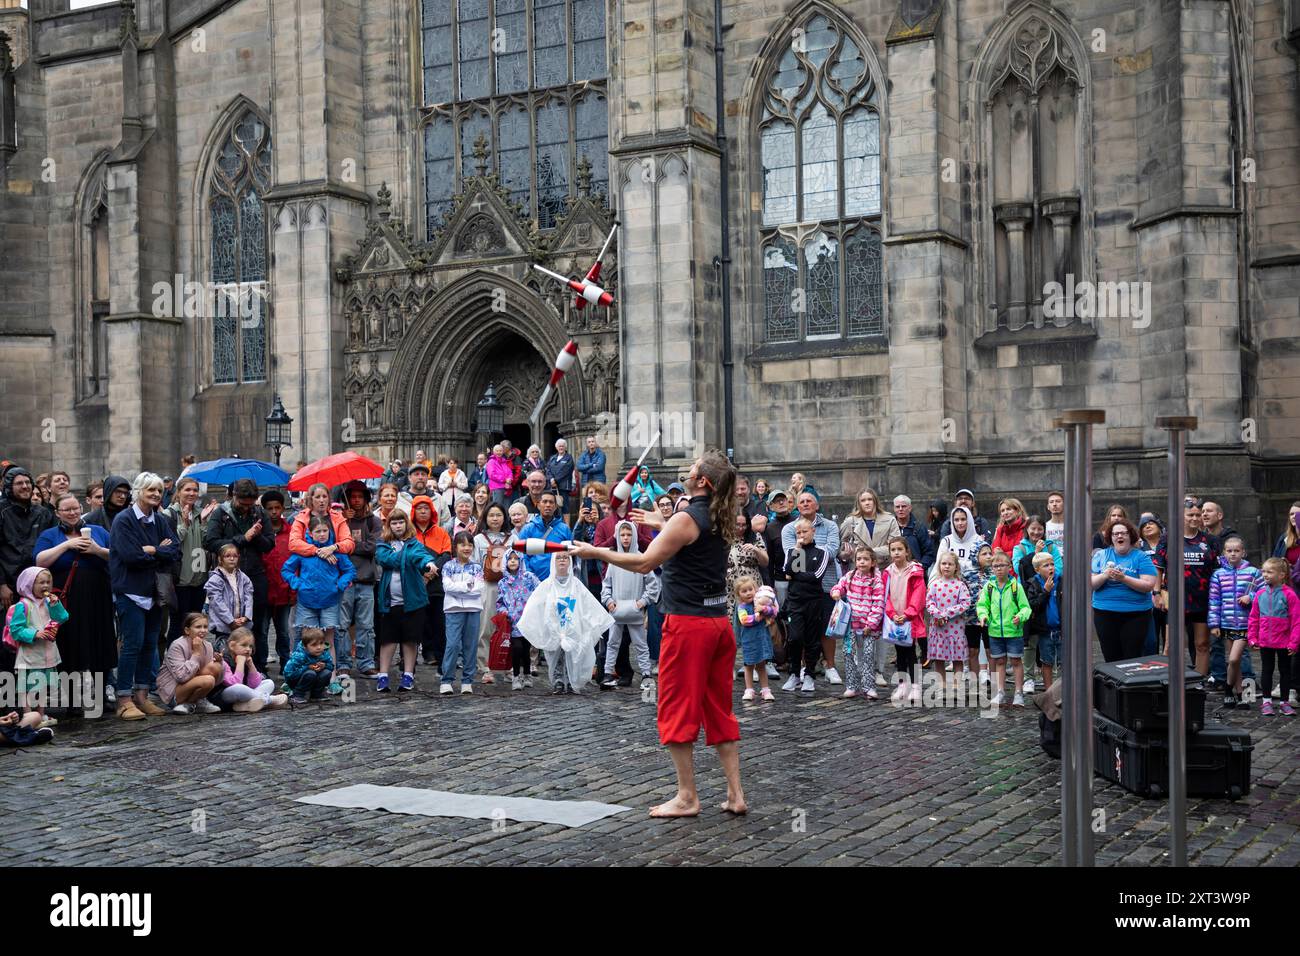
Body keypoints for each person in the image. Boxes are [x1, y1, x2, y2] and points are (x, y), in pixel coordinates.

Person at [569, 450, 747, 818]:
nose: (690, 467)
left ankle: (686, 797)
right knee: (718, 709)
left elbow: (645, 561)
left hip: (688, 627)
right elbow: (685, 532)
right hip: (717, 624)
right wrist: (660, 519)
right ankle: (735, 795)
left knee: (676, 707)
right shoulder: (719, 514)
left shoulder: (687, 518)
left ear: (702, 482)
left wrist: (596, 551)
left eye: (695, 467)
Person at [33, 493, 114, 714]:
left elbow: (116, 555)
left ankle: (99, 697)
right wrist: (68, 546)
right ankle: (72, 700)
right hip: (65, 598)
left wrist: (96, 550)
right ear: (57, 512)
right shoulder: (51, 534)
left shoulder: (98, 531)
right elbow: (39, 560)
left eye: (75, 509)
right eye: (67, 510)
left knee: (100, 642)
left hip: (98, 594)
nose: (72, 513)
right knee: (70, 644)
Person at [108, 472, 179, 720]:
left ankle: (142, 695)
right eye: (151, 490)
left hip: (154, 592)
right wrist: (159, 550)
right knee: (132, 644)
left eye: (159, 491)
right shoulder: (124, 520)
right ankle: (124, 698)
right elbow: (131, 556)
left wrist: (153, 549)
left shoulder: (159, 520)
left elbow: (175, 550)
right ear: (138, 492)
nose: (156, 495)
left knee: (150, 644)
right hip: (130, 591)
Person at [205, 478, 277, 672]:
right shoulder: (221, 513)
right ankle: (230, 668)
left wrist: (257, 536)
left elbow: (270, 544)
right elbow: (211, 542)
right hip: (228, 577)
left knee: (258, 625)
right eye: (242, 504)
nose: (246, 508)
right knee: (229, 624)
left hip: (255, 573)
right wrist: (243, 538)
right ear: (233, 496)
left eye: (250, 504)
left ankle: (258, 668)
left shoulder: (259, 513)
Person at [518, 550, 611, 695]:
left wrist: (594, 622)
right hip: (553, 627)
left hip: (571, 627)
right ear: (553, 562)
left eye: (565, 558)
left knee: (571, 654)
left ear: (570, 562)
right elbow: (535, 604)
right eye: (559, 558)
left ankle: (570, 679)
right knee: (555, 654)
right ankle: (558, 682)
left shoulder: (576, 584)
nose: (562, 560)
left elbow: (587, 603)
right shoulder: (547, 584)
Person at [780, 490, 841, 683]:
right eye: (802, 502)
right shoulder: (790, 528)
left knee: (826, 628)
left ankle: (830, 666)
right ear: (797, 507)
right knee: (801, 631)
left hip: (827, 583)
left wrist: (811, 554)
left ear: (817, 505)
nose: (805, 504)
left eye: (809, 501)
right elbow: (791, 554)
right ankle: (805, 669)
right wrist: (813, 554)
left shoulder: (830, 525)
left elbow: (831, 551)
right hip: (800, 591)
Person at [375, 510, 438, 693]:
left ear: (406, 524)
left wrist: (428, 563)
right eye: (394, 523)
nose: (398, 526)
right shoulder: (383, 544)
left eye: (401, 522)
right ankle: (383, 676)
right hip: (390, 602)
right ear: (389, 526)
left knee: (410, 640)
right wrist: (406, 557)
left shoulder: (414, 544)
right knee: (387, 640)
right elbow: (384, 559)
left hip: (413, 601)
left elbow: (422, 557)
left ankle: (408, 675)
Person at [1156, 501, 1218, 676]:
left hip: (1202, 599)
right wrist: (1157, 593)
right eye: (1190, 515)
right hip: (1175, 598)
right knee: (1171, 645)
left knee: (1202, 644)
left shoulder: (1210, 541)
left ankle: (1198, 683)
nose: (1195, 518)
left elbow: (1217, 570)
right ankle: (1168, 681)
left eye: (1198, 515)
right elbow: (1158, 567)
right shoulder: (1168, 538)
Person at [599, 519, 660, 691]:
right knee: (613, 642)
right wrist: (609, 601)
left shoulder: (641, 558)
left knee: (640, 643)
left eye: (629, 534)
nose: (625, 538)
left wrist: (642, 602)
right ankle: (608, 673)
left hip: (634, 609)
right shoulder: (614, 560)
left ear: (634, 535)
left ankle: (646, 674)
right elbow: (607, 584)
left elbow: (652, 585)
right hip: (617, 608)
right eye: (622, 535)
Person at [5, 567, 66, 727]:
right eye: (41, 582)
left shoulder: (48, 602)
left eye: (48, 582)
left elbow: (63, 617)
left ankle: (40, 713)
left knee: (43, 685)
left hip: (47, 653)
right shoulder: (23, 605)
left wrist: (56, 605)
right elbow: (16, 630)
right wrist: (34, 634)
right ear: (29, 584)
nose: (45, 586)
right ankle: (27, 714)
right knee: (26, 686)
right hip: (29, 654)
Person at [1092, 517, 1159, 662]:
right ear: (1111, 537)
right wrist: (1105, 575)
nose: (1119, 536)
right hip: (1105, 612)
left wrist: (1124, 578)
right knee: (1111, 656)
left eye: (1124, 533)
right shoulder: (1100, 555)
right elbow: (1090, 584)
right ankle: (1113, 685)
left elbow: (1148, 585)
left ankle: (1132, 684)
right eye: (1115, 534)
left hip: (1136, 614)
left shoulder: (1141, 557)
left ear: (1131, 536)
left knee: (1132, 657)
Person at [1209, 536, 1263, 708]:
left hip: (1246, 624)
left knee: (1233, 659)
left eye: (1237, 550)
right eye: (1229, 551)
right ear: (1224, 553)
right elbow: (1214, 600)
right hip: (1226, 623)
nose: (1233, 554)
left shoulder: (1253, 572)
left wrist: (1251, 596)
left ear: (1243, 552)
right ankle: (1240, 695)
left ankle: (1227, 688)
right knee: (1236, 661)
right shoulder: (1218, 574)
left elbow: (1264, 592)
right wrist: (1214, 624)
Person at [164, 478, 217, 643]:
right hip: (179, 579)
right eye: (187, 490)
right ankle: (174, 661)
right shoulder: (169, 514)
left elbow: (206, 542)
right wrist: (184, 525)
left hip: (198, 577)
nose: (192, 493)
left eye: (195, 490)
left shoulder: (200, 512)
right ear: (178, 492)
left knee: (195, 622)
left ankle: (193, 658)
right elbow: (170, 543)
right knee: (179, 624)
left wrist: (204, 522)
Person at [976, 550, 1031, 708]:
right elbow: (982, 605)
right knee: (999, 661)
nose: (999, 568)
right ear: (992, 568)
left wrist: (1020, 617)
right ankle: (1000, 691)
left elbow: (1025, 608)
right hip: (994, 631)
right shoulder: (989, 587)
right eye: (995, 566)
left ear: (1009, 567)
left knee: (1015, 661)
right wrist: (983, 616)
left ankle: (1018, 692)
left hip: (1013, 631)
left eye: (1002, 565)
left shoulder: (1016, 587)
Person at [830, 547, 884, 700]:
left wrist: (871, 624)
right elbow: (840, 586)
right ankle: (851, 686)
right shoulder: (850, 576)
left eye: (866, 559)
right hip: (850, 625)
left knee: (867, 655)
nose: (862, 562)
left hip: (868, 627)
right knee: (848, 654)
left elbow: (878, 604)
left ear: (872, 562)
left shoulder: (876, 580)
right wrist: (836, 591)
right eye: (859, 559)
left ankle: (869, 687)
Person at [1248, 557, 1299, 716]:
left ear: (1282, 575)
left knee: (1285, 672)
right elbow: (1253, 617)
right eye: (1264, 571)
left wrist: (1294, 642)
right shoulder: (1260, 594)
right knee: (1267, 670)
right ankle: (1266, 702)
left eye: (1270, 572)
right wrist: (1252, 638)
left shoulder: (1290, 595)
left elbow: (1296, 620)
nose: (1265, 575)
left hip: (1284, 642)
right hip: (1265, 641)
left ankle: (1284, 702)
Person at [0, 468, 56, 609]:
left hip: (39, 584)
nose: (25, 486)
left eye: (27, 482)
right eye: (19, 483)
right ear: (9, 487)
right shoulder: (2, 512)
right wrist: (1, 585)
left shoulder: (43, 513)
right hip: (9, 586)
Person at [882, 536, 926, 705]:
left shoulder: (914, 572)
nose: (896, 553)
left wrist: (909, 613)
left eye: (900, 549)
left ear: (907, 551)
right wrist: (892, 613)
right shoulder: (888, 572)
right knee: (899, 652)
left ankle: (915, 685)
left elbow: (918, 595)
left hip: (910, 619)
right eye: (893, 550)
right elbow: (885, 596)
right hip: (895, 619)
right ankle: (902, 684)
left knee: (910, 652)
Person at [439, 531, 484, 695]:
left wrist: (460, 589)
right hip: (453, 610)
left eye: (470, 545)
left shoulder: (477, 567)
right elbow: (447, 587)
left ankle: (467, 680)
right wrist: (467, 587)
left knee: (470, 646)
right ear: (455, 546)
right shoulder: (449, 566)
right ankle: (446, 680)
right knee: (452, 645)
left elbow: (479, 589)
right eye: (463, 544)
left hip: (473, 610)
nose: (467, 548)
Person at [156, 611, 223, 714]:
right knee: (208, 680)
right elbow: (181, 677)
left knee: (216, 667)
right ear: (187, 630)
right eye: (198, 627)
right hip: (174, 690)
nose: (203, 630)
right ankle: (185, 703)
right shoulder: (177, 645)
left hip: (193, 681)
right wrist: (196, 654)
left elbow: (215, 680)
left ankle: (194, 702)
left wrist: (219, 662)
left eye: (205, 627)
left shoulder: (208, 645)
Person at [260, 490, 297, 674]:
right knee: (263, 631)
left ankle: (286, 664)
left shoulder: (291, 533)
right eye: (269, 509)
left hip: (284, 590)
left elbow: (295, 563)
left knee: (283, 631)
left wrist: (293, 589)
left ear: (282, 508)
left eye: (277, 508)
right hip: (265, 591)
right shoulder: (260, 532)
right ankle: (261, 665)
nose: (273, 512)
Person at [473, 502, 510, 685]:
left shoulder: (512, 538)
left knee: (508, 628)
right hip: (486, 586)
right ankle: (484, 666)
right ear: (485, 518)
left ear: (505, 517)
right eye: (491, 515)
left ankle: (508, 666)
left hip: (509, 587)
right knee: (485, 627)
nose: (495, 518)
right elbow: (473, 564)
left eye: (499, 515)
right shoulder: (478, 539)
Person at [211, 626, 289, 712]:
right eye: (244, 645)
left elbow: (254, 684)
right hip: (223, 695)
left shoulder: (245, 657)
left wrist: (251, 665)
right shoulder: (224, 660)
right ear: (232, 646)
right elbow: (234, 684)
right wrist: (240, 664)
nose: (248, 649)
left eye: (250, 646)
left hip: (243, 693)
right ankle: (269, 700)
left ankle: (244, 705)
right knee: (238, 688)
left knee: (269, 683)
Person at [926, 552, 972, 685]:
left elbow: (965, 603)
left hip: (955, 629)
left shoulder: (960, 585)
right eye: (943, 563)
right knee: (939, 659)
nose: (946, 566)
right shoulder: (935, 584)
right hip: (938, 628)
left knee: (957, 659)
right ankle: (942, 685)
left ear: (956, 567)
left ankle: (957, 686)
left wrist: (946, 613)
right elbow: (929, 602)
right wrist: (937, 614)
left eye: (950, 564)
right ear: (939, 566)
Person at [497, 549, 540, 690]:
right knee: (516, 648)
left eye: (516, 558)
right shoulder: (503, 583)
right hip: (512, 622)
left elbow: (540, 591)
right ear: (506, 562)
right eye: (510, 559)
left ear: (521, 561)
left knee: (526, 648)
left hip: (528, 620)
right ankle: (516, 676)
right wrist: (504, 612)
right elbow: (500, 602)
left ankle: (527, 674)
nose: (513, 561)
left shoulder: (529, 577)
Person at [1023, 551, 1063, 693]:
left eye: (1052, 564)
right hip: (1045, 631)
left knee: (1063, 662)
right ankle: (1049, 692)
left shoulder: (1061, 581)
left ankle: (1062, 691)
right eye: (1046, 565)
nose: (1051, 567)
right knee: (1046, 662)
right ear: (1037, 569)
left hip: (1062, 630)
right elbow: (1032, 605)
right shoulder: (1033, 584)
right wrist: (1045, 592)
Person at [205, 543, 255, 649]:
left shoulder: (243, 577)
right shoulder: (215, 579)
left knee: (241, 651)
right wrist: (230, 621)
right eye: (227, 556)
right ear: (220, 559)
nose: (232, 559)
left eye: (235, 556)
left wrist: (246, 617)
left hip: (241, 624)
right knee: (224, 653)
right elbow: (217, 603)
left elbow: (249, 596)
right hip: (224, 626)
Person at [733, 575, 774, 701]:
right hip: (749, 641)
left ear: (755, 589)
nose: (748, 593)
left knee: (761, 665)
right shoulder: (742, 607)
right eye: (744, 591)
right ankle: (749, 689)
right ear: (739, 594)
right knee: (748, 665)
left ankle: (765, 689)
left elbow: (772, 612)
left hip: (761, 639)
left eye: (750, 589)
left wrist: (764, 609)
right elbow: (744, 620)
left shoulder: (761, 603)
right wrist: (759, 617)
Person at [518, 491, 573, 580]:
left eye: (551, 502)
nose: (548, 505)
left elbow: (570, 554)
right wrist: (529, 575)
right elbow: (521, 555)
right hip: (533, 580)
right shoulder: (528, 529)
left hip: (558, 579)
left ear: (555, 507)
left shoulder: (564, 529)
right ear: (538, 505)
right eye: (545, 502)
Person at [840, 488, 899, 566]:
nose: (867, 503)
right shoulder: (850, 521)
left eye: (870, 499)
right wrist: (845, 555)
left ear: (875, 501)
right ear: (859, 503)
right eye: (863, 500)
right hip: (859, 569)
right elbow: (842, 549)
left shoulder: (889, 519)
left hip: (884, 568)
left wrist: (868, 551)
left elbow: (895, 546)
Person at [964, 544, 994, 686]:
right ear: (976, 556)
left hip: (990, 619)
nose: (989, 556)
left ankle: (995, 683)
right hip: (971, 619)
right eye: (984, 554)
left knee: (991, 651)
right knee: (973, 650)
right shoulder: (966, 573)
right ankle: (974, 682)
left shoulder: (994, 574)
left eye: (990, 553)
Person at [283, 627, 335, 703]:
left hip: (313, 678)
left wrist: (324, 666)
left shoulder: (324, 653)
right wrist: (307, 667)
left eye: (321, 643)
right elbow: (288, 674)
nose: (319, 647)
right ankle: (297, 695)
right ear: (305, 647)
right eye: (314, 645)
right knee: (310, 673)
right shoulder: (299, 656)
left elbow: (331, 667)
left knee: (327, 672)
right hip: (295, 681)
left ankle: (316, 695)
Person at [933, 505, 986, 577]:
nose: (960, 523)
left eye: (963, 519)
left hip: (974, 582)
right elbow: (940, 563)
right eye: (956, 520)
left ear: (969, 520)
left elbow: (981, 564)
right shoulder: (946, 541)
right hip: (951, 581)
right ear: (952, 521)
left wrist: (954, 564)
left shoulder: (978, 540)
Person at [892, 495, 935, 575]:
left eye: (904, 506)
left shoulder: (919, 527)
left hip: (916, 574)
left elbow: (929, 552)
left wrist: (920, 567)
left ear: (910, 508)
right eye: (897, 507)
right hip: (894, 574)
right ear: (894, 509)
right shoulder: (890, 527)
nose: (900, 509)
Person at [397, 462, 450, 526]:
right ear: (409, 478)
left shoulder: (438, 499)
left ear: (427, 478)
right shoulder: (399, 499)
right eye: (416, 474)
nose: (420, 477)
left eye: (423, 474)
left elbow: (447, 524)